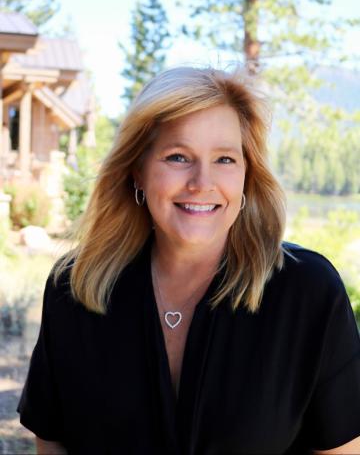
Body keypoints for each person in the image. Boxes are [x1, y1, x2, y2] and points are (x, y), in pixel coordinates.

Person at [18, 67, 360, 455]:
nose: (202, 182)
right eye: (178, 156)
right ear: (137, 172)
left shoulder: (308, 292)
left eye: (225, 159)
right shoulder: (74, 287)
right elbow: (52, 440)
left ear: (247, 175)